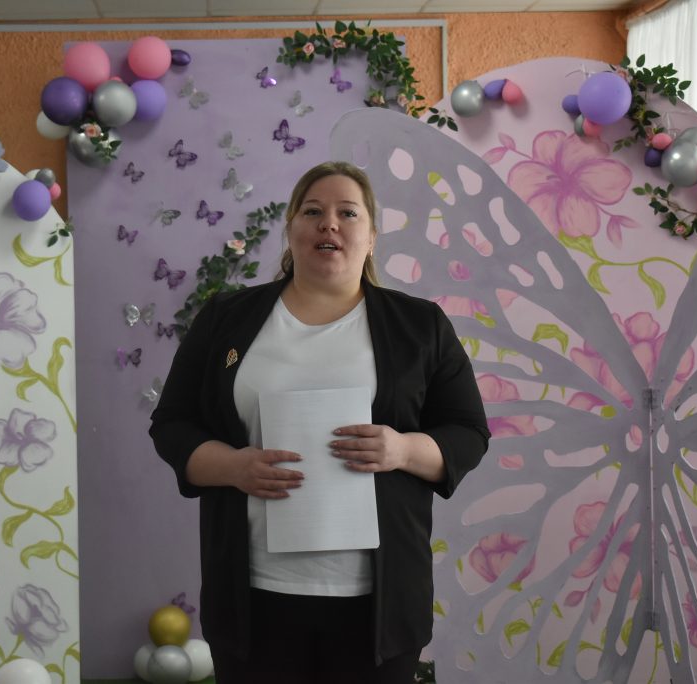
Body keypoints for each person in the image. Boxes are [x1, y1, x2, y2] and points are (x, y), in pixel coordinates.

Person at [149, 160, 490, 683]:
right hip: (252, 596)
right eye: (312, 211)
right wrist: (233, 467)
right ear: (291, 230)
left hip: (378, 606)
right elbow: (172, 424)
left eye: (347, 213)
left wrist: (401, 449)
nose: (329, 223)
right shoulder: (226, 318)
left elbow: (468, 432)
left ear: (371, 237)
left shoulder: (421, 325)